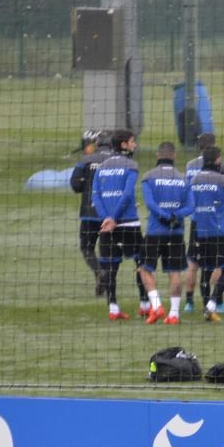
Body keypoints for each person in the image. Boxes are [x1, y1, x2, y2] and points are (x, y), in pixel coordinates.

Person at [91, 128, 148, 320]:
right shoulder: (131, 165)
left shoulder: (101, 166)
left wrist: (106, 217)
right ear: (123, 145)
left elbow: (95, 196)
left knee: (110, 267)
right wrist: (114, 217)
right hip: (128, 223)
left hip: (106, 226)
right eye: (132, 141)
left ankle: (113, 308)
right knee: (141, 262)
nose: (135, 145)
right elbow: (127, 194)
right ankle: (144, 304)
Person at [140, 141, 195, 325]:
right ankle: (174, 314)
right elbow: (191, 206)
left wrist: (164, 215)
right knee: (175, 273)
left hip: (155, 231)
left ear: (158, 155)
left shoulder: (148, 177)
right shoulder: (183, 179)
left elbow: (150, 203)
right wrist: (175, 215)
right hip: (176, 232)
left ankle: (156, 306)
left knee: (145, 269)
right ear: (174, 156)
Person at [190, 146, 224, 322]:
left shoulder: (194, 180)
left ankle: (206, 306)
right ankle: (212, 303)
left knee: (206, 268)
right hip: (221, 231)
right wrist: (221, 207)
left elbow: (191, 204)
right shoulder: (222, 180)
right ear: (218, 159)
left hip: (201, 230)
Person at [183, 132, 224, 313]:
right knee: (217, 262)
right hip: (214, 221)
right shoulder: (221, 166)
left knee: (193, 262)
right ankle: (217, 301)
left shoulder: (190, 165)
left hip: (196, 219)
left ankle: (189, 302)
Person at [70, 129, 111, 296]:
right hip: (109, 214)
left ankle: (98, 272)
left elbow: (75, 185)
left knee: (87, 248)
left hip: (89, 212)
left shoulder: (86, 160)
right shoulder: (116, 160)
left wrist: (85, 183)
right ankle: (106, 281)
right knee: (107, 249)